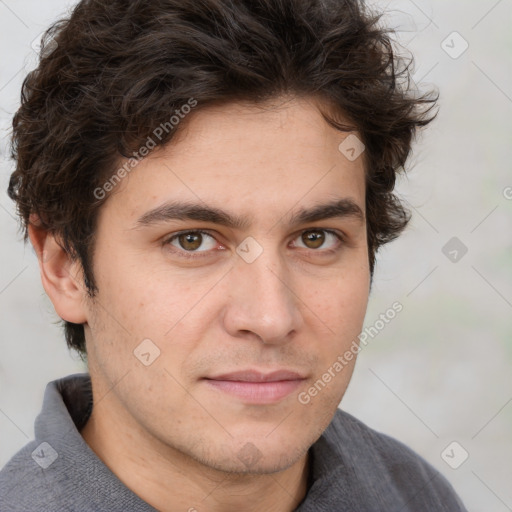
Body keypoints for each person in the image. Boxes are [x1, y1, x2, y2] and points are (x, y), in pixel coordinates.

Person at [0, 0, 468, 510]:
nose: (271, 317)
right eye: (192, 240)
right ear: (65, 268)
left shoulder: (414, 495)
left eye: (316, 238)